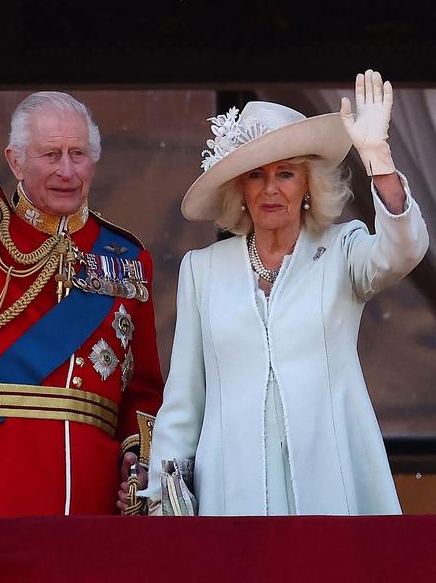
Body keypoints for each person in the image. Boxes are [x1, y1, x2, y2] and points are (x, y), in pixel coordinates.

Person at [0, 19, 164, 518]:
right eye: (50, 154)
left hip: (90, 493)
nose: (67, 170)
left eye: (78, 154)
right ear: (15, 162)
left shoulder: (126, 259)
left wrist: (137, 463)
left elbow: (143, 389)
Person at [145, 71, 428, 516]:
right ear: (240, 190)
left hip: (330, 485)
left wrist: (378, 160)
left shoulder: (343, 250)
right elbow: (183, 401)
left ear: (308, 186)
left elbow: (404, 250)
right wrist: (166, 499)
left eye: (286, 173)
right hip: (231, 492)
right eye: (256, 175)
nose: (271, 188)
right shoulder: (203, 270)